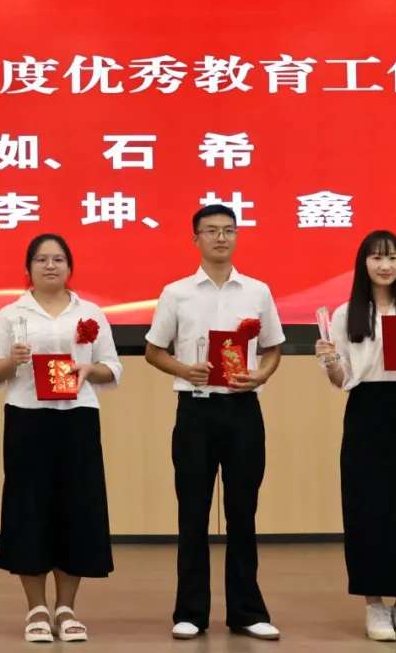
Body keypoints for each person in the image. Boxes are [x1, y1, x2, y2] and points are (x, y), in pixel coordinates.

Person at [144, 204, 284, 640]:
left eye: (228, 230)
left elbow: (273, 348)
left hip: (243, 410)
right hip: (196, 410)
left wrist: (261, 375)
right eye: (211, 231)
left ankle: (247, 611)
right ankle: (190, 611)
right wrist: (184, 370)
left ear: (237, 236)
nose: (221, 238)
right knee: (193, 512)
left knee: (243, 512)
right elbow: (154, 351)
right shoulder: (176, 293)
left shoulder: (257, 291)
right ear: (196, 239)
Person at [0, 233, 121, 643]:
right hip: (27, 418)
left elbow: (112, 367)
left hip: (78, 418)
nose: (50, 266)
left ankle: (67, 608)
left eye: (58, 259)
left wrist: (89, 371)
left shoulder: (90, 312)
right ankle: (37, 609)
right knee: (29, 509)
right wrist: (12, 361)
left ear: (70, 267)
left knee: (77, 508)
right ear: (28, 268)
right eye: (41, 259)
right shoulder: (10, 314)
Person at [315, 230, 396, 642]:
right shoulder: (345, 313)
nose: (385, 265)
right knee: (365, 507)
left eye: (392, 258)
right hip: (365, 411)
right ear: (363, 264)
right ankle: (373, 605)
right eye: (376, 258)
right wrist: (329, 361)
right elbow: (342, 380)